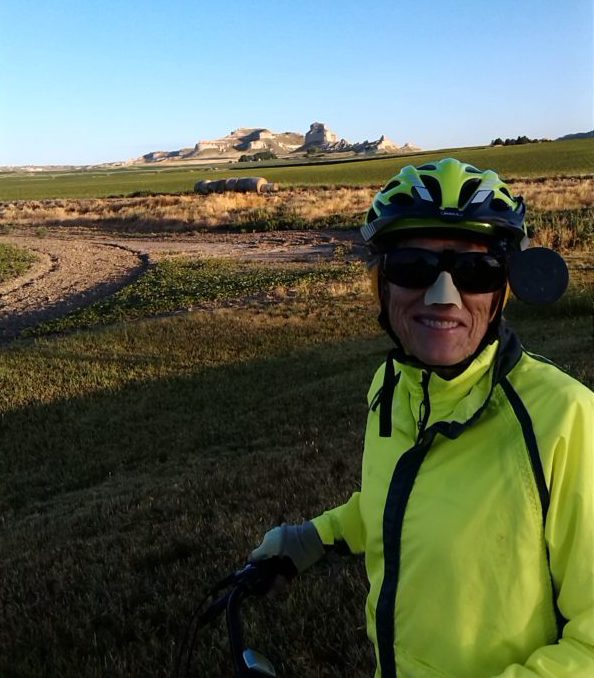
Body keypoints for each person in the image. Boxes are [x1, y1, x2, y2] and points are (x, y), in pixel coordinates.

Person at [249, 158, 594, 677]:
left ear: (505, 287)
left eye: (476, 271)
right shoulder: (391, 387)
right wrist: (315, 536)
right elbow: (405, 498)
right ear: (381, 284)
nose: (442, 297)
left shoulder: (565, 419)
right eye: (413, 266)